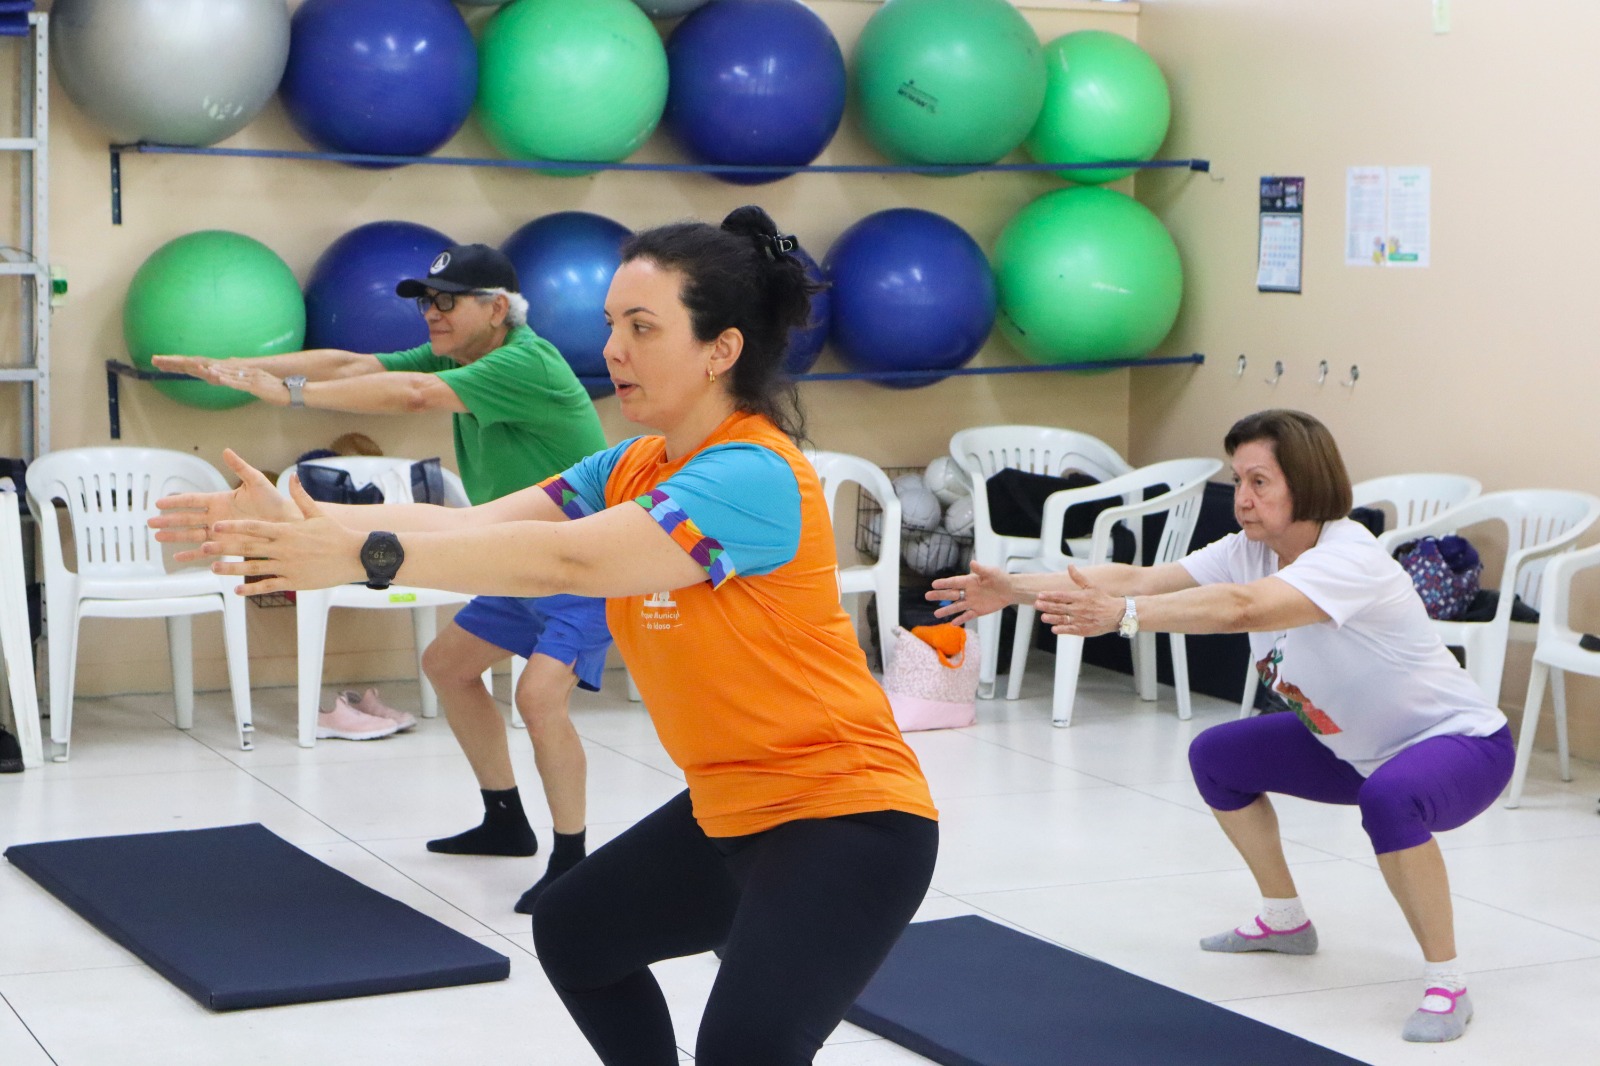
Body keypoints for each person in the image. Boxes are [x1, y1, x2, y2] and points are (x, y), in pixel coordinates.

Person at [151, 206, 940, 1066]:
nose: (613, 350)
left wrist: (360, 555)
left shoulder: (752, 472)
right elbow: (475, 523)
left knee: (745, 1049)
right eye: (611, 325)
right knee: (578, 931)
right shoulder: (633, 462)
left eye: (643, 327)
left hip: (846, 818)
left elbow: (568, 561)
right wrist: (304, 515)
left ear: (722, 350)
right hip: (732, 811)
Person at [931, 409, 1513, 1045]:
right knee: (1219, 756)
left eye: (1260, 482)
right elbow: (1140, 577)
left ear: (1308, 483)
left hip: (1459, 745)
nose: (1242, 499)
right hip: (1351, 745)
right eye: (1238, 481)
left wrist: (1124, 617)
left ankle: (1447, 982)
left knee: (1391, 798)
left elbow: (1244, 609)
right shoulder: (1249, 549)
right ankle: (1285, 920)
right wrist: (1013, 588)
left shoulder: (1349, 558)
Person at [154, 243, 611, 912]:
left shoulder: (525, 362)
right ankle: (506, 821)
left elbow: (413, 394)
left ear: (497, 307)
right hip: (518, 556)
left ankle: (573, 861)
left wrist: (288, 394)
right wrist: (242, 370)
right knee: (450, 665)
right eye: (427, 300)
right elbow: (351, 364)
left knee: (540, 699)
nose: (432, 312)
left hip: (580, 559)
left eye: (446, 300)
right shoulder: (467, 355)